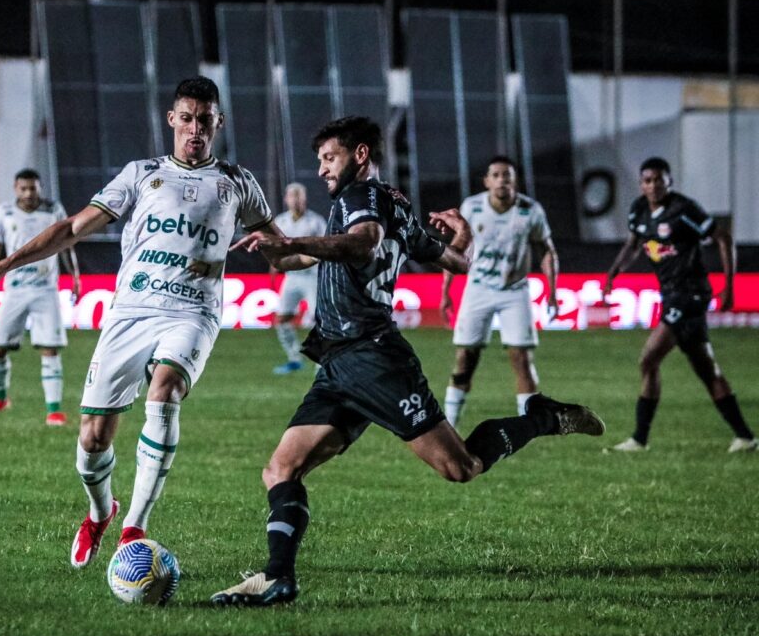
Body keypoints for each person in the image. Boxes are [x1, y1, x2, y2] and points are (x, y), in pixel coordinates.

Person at [210, 116, 605, 607]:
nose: (321, 171)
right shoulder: (393, 203)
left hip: (375, 359)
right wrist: (462, 236)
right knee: (280, 470)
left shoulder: (362, 201)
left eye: (328, 159)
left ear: (358, 155)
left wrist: (292, 241)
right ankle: (277, 579)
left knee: (461, 467)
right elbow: (456, 263)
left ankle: (544, 418)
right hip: (338, 363)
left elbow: (363, 243)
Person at [0, 76, 278, 567]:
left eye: (204, 122)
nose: (195, 131)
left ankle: (134, 530)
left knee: (165, 393)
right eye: (186, 119)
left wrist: (327, 249)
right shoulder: (141, 174)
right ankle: (101, 513)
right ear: (172, 120)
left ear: (218, 124)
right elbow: (71, 228)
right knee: (92, 437)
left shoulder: (237, 182)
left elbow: (283, 249)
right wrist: (2, 264)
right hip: (131, 311)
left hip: (193, 311)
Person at [602, 157, 756, 453]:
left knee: (649, 359)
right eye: (648, 180)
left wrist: (729, 286)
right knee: (706, 369)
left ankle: (639, 438)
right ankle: (745, 436)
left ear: (669, 181)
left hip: (690, 294)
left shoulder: (684, 210)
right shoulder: (638, 210)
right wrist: (613, 273)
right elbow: (634, 243)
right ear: (641, 184)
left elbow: (722, 237)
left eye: (659, 180)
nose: (654, 185)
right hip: (670, 294)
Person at [441, 156, 559, 428]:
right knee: (465, 357)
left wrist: (553, 291)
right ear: (487, 181)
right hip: (478, 289)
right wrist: (445, 291)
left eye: (507, 175)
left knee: (521, 359)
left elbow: (547, 251)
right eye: (496, 174)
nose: (502, 180)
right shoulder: (471, 207)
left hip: (514, 292)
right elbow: (454, 251)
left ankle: (527, 426)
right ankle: (450, 425)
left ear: (515, 180)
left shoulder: (530, 210)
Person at [0, 168, 79, 427]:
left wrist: (75, 277)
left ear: (40, 187)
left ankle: (53, 411)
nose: (29, 193)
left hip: (45, 290)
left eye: (33, 188)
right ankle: (0, 398)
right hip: (15, 290)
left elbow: (67, 245)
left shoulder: (54, 210)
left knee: (49, 349)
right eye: (24, 188)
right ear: (15, 188)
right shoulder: (3, 213)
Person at [270, 182, 327, 374]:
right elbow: (275, 248)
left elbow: (327, 248)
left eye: (299, 196)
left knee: (318, 321)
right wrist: (273, 267)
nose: (295, 200)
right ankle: (294, 358)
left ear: (304, 199)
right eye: (292, 196)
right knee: (282, 318)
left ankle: (322, 362)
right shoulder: (281, 221)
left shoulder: (316, 222)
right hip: (291, 277)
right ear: (286, 199)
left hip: (312, 277)